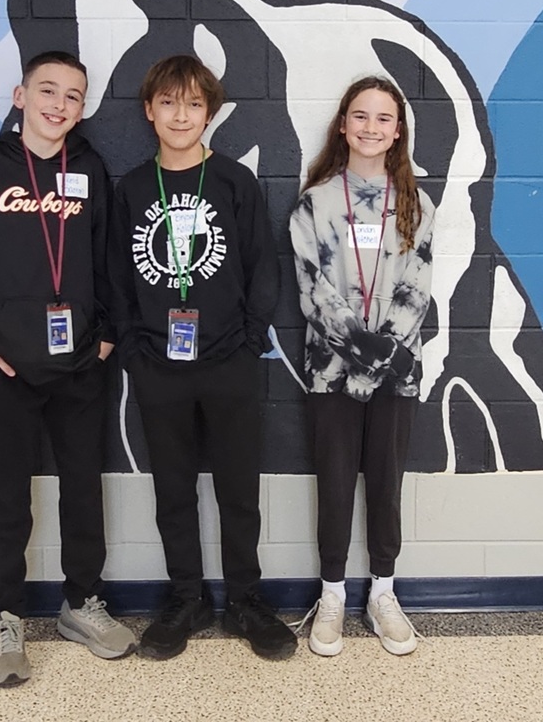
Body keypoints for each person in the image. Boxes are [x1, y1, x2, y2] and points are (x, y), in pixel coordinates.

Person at [0, 51, 136, 686]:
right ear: (20, 96)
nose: (59, 104)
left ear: (82, 109)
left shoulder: (90, 169)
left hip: (81, 363)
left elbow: (109, 263)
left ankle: (82, 603)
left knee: (83, 490)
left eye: (73, 96)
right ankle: (5, 617)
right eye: (47, 90)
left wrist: (105, 338)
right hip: (8, 367)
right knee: (6, 500)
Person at [110, 54, 296, 662]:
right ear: (149, 110)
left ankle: (245, 599)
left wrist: (247, 341)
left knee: (239, 490)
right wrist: (135, 349)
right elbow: (116, 277)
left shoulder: (234, 182)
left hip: (228, 363)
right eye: (168, 102)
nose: (180, 115)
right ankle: (186, 597)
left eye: (193, 104)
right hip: (157, 365)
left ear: (210, 113)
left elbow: (262, 268)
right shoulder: (133, 188)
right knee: (173, 490)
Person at [289, 75, 435, 657]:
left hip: (397, 374)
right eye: (361, 116)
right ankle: (331, 594)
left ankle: (382, 593)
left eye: (383, 118)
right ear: (343, 125)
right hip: (330, 373)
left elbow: (417, 289)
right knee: (333, 482)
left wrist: (383, 358)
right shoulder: (315, 203)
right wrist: (364, 354)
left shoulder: (416, 205)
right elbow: (313, 292)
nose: (371, 127)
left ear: (398, 132)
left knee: (385, 483)